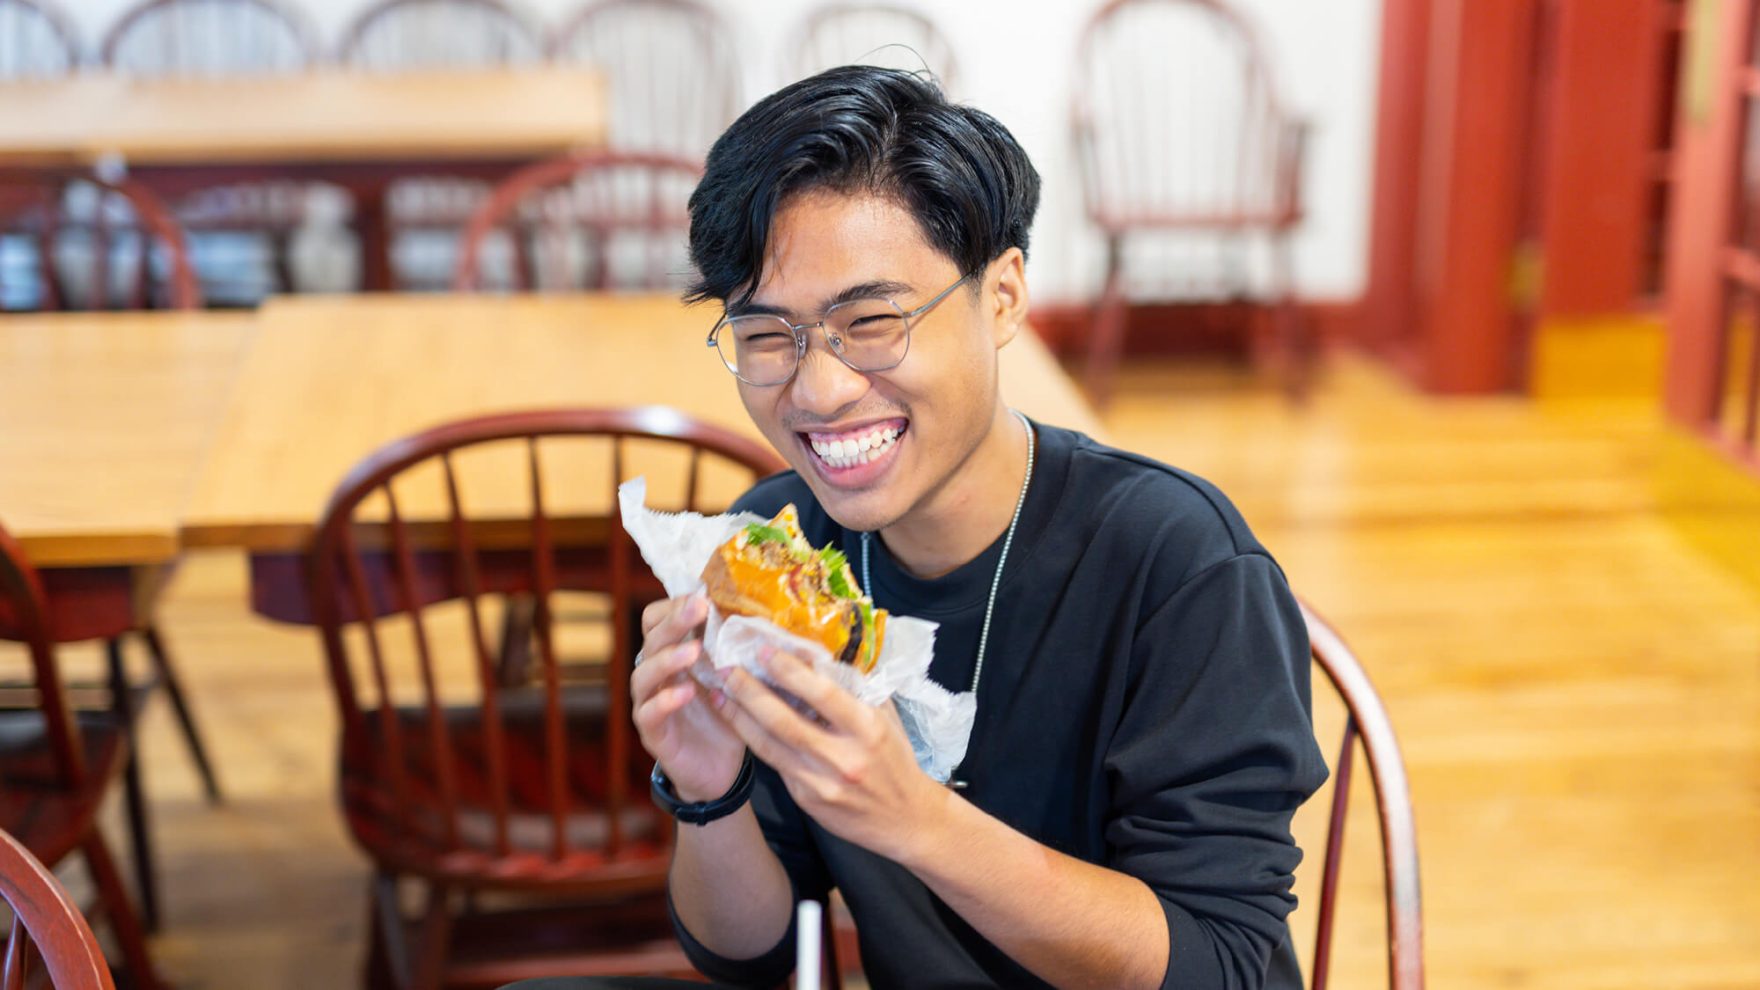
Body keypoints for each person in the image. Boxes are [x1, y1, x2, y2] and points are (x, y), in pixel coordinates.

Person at [631, 65, 1328, 990]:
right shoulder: (779, 551)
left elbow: (1222, 966)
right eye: (766, 336)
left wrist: (915, 819)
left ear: (1002, 298)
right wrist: (709, 790)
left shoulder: (1178, 564)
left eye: (872, 321)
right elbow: (746, 954)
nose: (820, 390)